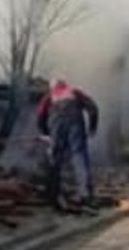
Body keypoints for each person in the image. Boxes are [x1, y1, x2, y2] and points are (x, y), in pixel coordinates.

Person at [37, 78, 100, 213]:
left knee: (55, 159)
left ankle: (53, 195)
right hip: (75, 124)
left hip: (57, 125)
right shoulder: (75, 92)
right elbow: (93, 108)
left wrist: (46, 133)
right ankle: (85, 195)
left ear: (52, 87)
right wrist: (92, 128)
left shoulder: (49, 97)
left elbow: (40, 116)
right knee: (79, 157)